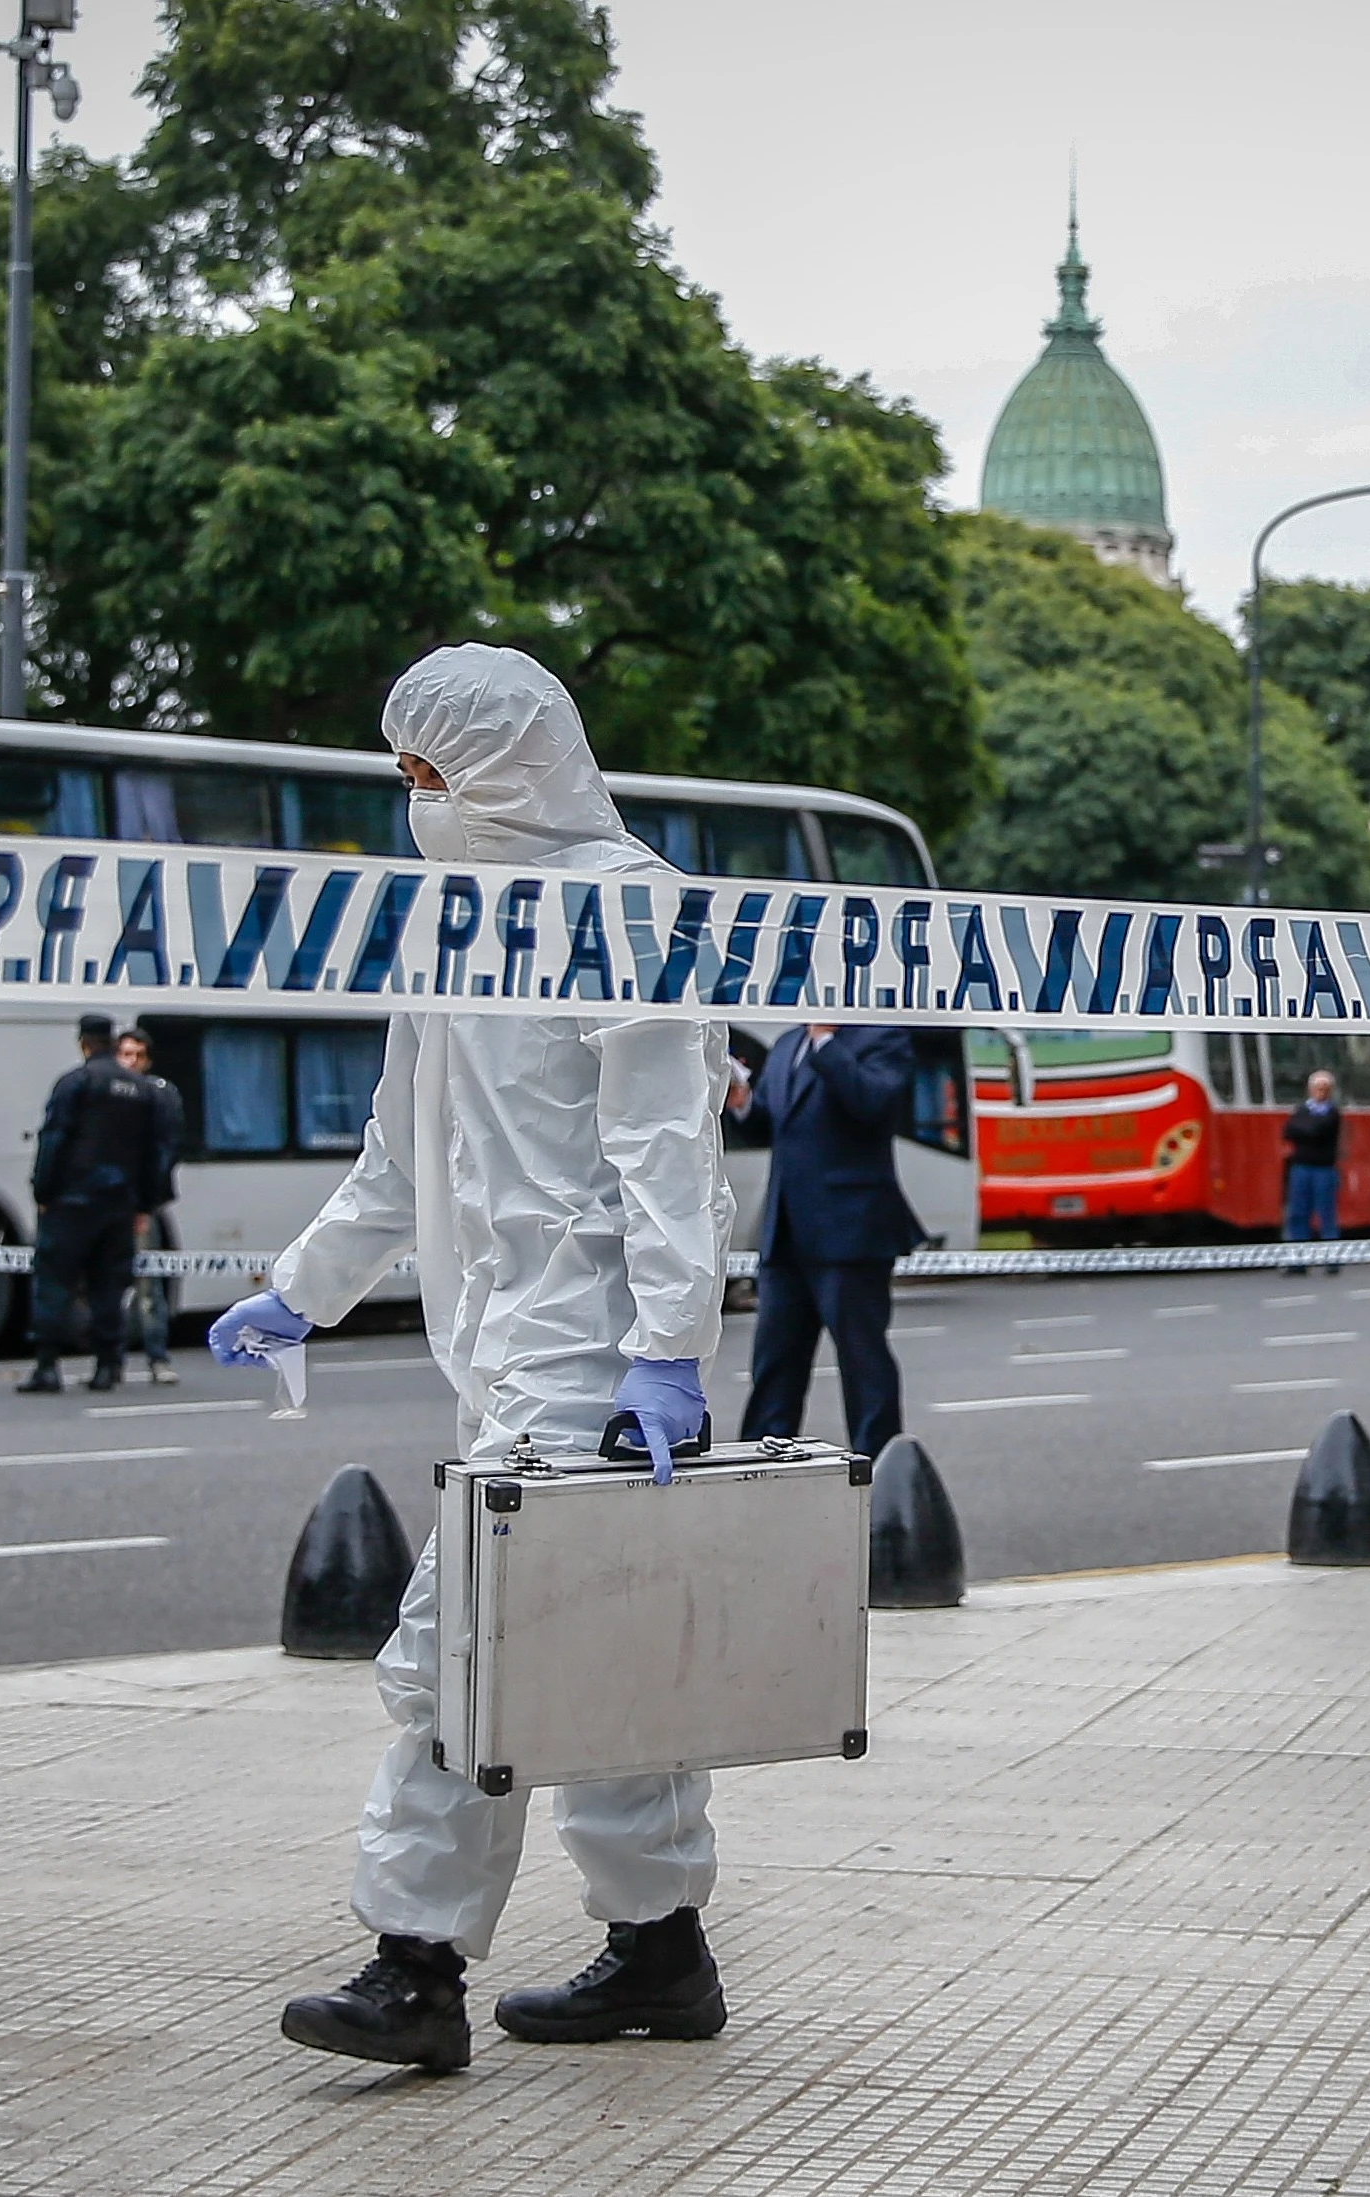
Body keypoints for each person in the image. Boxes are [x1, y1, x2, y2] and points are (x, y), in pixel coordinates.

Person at [209, 643, 736, 2079]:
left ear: (506, 767)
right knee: (603, 1649)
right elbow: (401, 1152)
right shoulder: (449, 920)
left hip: (593, 1359)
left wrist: (667, 1348)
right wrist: (297, 1292)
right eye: (405, 773)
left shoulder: (627, 908)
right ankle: (659, 1948)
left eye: (433, 772)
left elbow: (666, 1149)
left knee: (464, 1657)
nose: (415, 796)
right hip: (503, 1349)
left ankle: (413, 1964)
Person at [730, 1022, 922, 1465]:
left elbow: (873, 1103)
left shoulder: (882, 1037)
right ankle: (760, 1464)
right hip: (786, 1233)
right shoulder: (785, 1044)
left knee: (862, 1361)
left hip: (849, 1231)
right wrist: (743, 1102)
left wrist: (827, 1043)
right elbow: (776, 1125)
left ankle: (880, 1468)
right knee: (774, 1363)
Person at [23, 1012, 171, 1395]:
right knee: (108, 1287)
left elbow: (54, 1139)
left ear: (84, 1043)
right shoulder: (143, 1091)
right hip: (119, 1205)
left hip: (72, 1203)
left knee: (55, 1282)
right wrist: (145, 1204)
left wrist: (43, 1191)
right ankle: (107, 1366)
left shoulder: (75, 1083)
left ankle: (47, 1367)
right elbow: (156, 1154)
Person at [116, 1027, 187, 1385]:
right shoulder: (107, 1093)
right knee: (106, 1285)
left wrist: (146, 1201)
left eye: (138, 1055)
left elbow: (166, 1149)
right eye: (126, 1054)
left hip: (142, 1205)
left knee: (148, 1287)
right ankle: (108, 1362)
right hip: (109, 1205)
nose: (131, 1061)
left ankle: (157, 1357)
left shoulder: (159, 1095)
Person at [1280, 1069, 1343, 1273]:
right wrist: (1306, 1129)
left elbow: (1317, 1131)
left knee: (1326, 1215)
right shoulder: (1301, 1110)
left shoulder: (1332, 1113)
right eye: (1317, 1088)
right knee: (1298, 1214)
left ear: (1330, 1091)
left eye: (1325, 1088)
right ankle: (1298, 1261)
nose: (1321, 1092)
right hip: (1301, 1168)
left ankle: (1331, 1260)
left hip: (1323, 1170)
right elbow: (1288, 1131)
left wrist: (1304, 1130)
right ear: (1310, 1089)